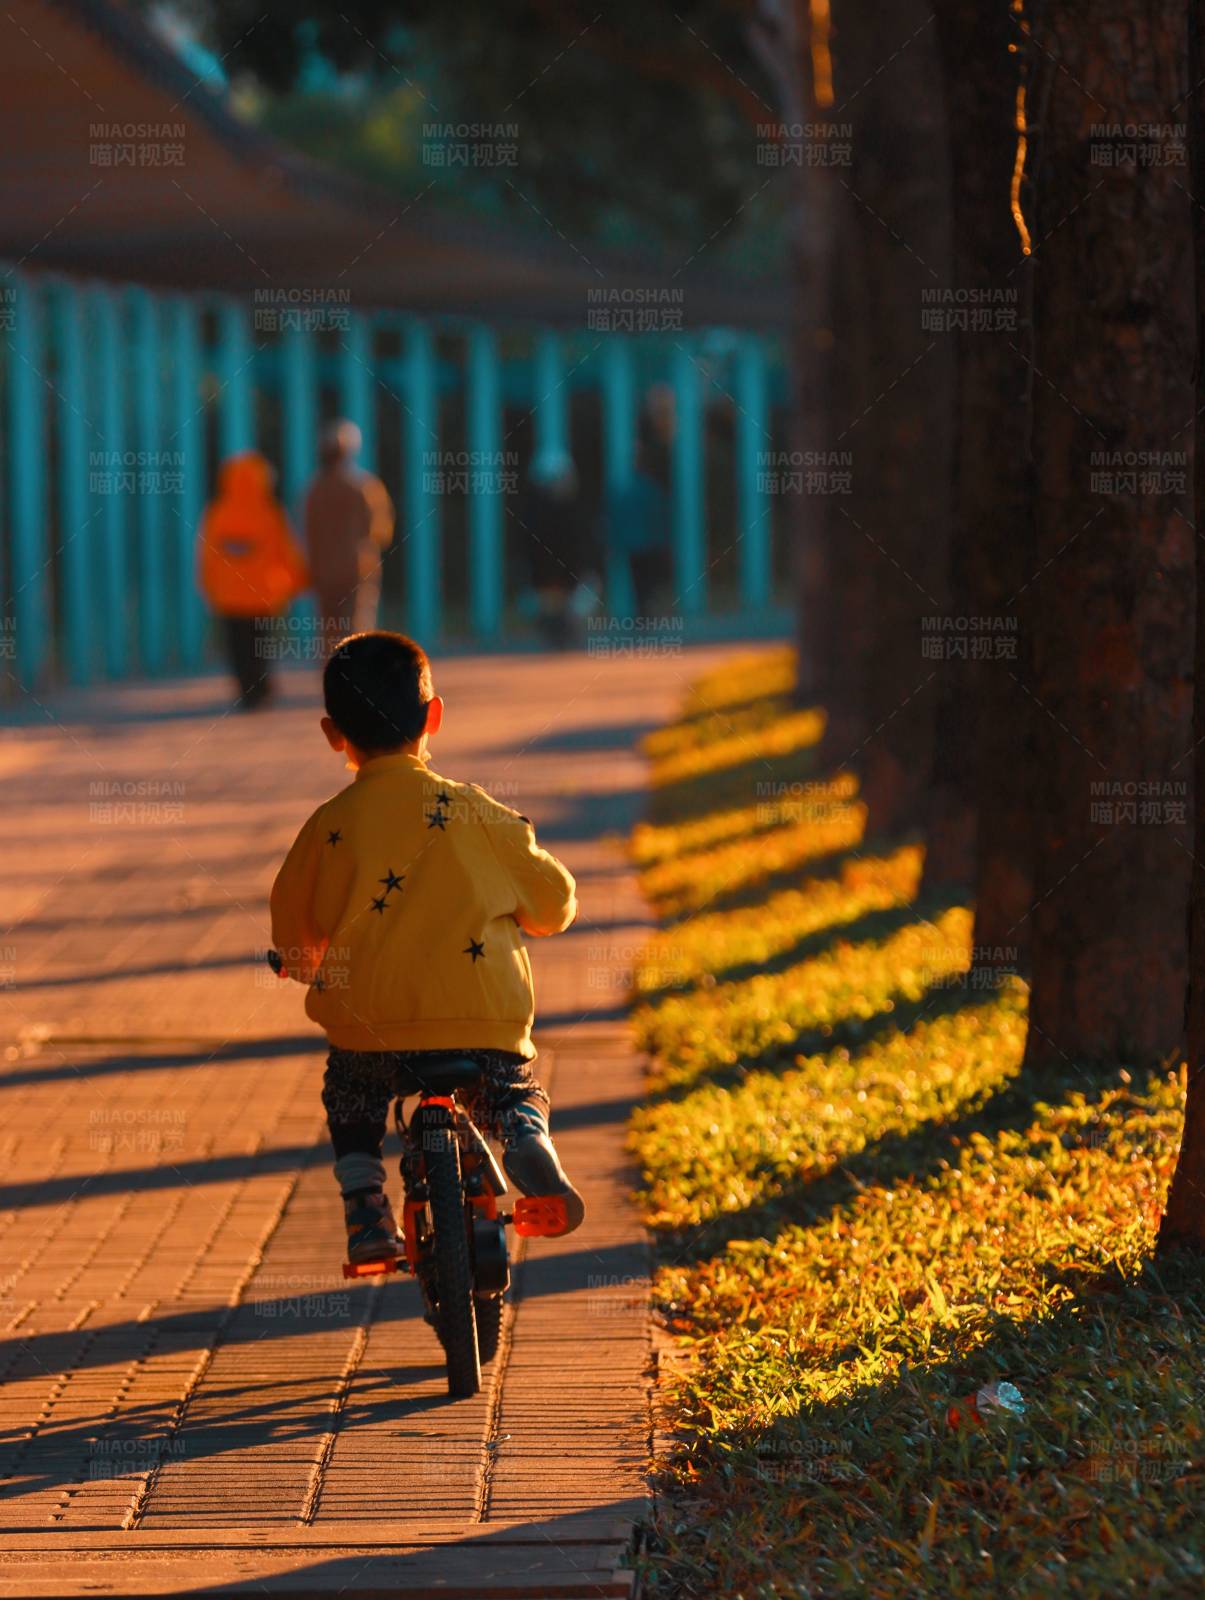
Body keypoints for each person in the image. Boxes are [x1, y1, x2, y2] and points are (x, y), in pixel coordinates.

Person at [269, 629, 585, 1264]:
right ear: (435, 715)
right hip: (482, 1020)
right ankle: (524, 1129)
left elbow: (296, 943)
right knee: (510, 1086)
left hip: (370, 1030)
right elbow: (554, 905)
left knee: (351, 1096)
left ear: (334, 733)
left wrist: (302, 964)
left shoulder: (326, 827)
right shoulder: (475, 812)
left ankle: (364, 1208)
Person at [197, 452, 308, 709]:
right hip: (263, 595)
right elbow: (286, 551)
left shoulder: (218, 513)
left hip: (229, 597)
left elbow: (207, 556)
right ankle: (262, 689)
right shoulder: (269, 513)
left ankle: (246, 691)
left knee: (238, 647)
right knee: (262, 645)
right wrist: (298, 580)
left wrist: (209, 586)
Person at [303, 420, 394, 659]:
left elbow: (307, 532)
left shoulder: (314, 490)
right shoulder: (364, 487)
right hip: (357, 569)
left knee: (329, 631)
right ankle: (357, 682)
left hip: (323, 573)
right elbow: (381, 531)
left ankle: (332, 678)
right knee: (356, 629)